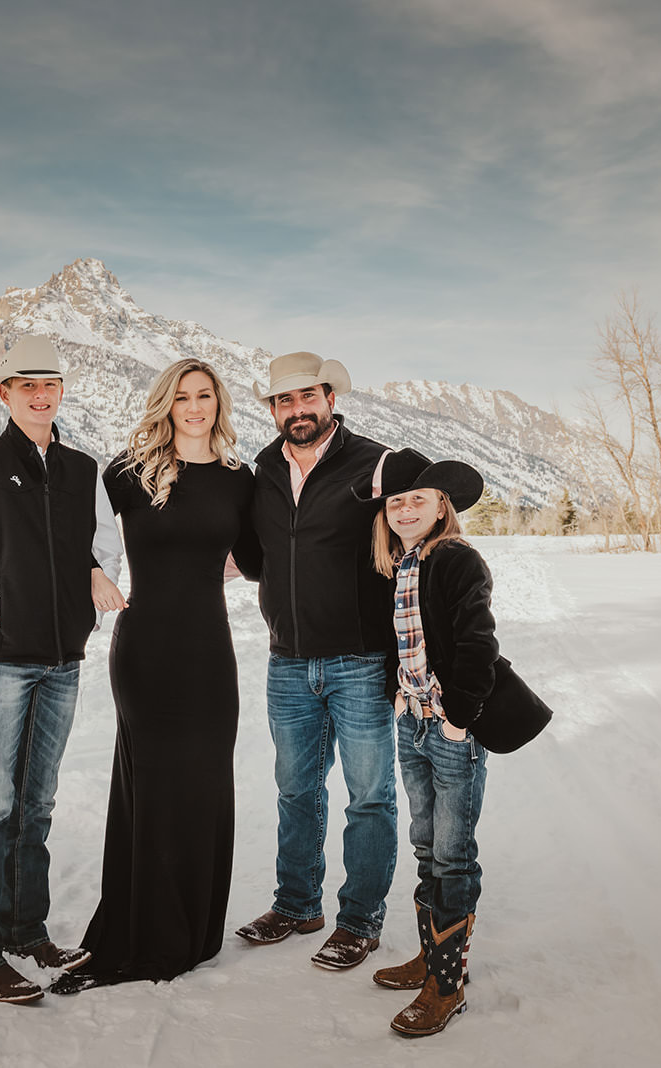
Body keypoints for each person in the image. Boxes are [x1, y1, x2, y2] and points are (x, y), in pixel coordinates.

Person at [0, 334, 127, 1005]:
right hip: (2, 663)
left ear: (60, 392)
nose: (41, 397)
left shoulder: (83, 469)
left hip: (63, 659)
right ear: (5, 395)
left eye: (51, 386)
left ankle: (24, 929)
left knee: (35, 803)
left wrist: (89, 600)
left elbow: (105, 547)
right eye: (26, 387)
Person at [52, 358, 262, 995]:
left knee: (201, 790)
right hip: (145, 651)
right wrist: (94, 572)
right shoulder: (128, 472)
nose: (194, 407)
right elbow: (69, 530)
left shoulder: (239, 478)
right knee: (150, 789)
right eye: (182, 397)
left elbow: (259, 559)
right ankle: (139, 933)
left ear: (218, 403)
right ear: (165, 405)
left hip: (209, 654)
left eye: (204, 396)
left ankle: (192, 934)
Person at [236, 351, 399, 972]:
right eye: (283, 401)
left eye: (307, 397)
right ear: (273, 409)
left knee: (369, 797)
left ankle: (360, 920)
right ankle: (298, 904)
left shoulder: (376, 463)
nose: (296, 410)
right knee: (296, 790)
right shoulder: (263, 471)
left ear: (331, 398)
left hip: (359, 660)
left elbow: (417, 531)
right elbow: (256, 556)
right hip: (288, 661)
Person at [358, 448, 495, 1037]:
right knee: (423, 842)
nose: (406, 509)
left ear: (443, 507)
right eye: (396, 502)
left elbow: (476, 643)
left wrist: (460, 717)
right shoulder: (403, 563)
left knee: (452, 852)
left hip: (449, 727)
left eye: (418, 500)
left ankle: (448, 983)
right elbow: (405, 639)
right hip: (412, 721)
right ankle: (427, 956)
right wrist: (398, 690)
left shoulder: (457, 560)